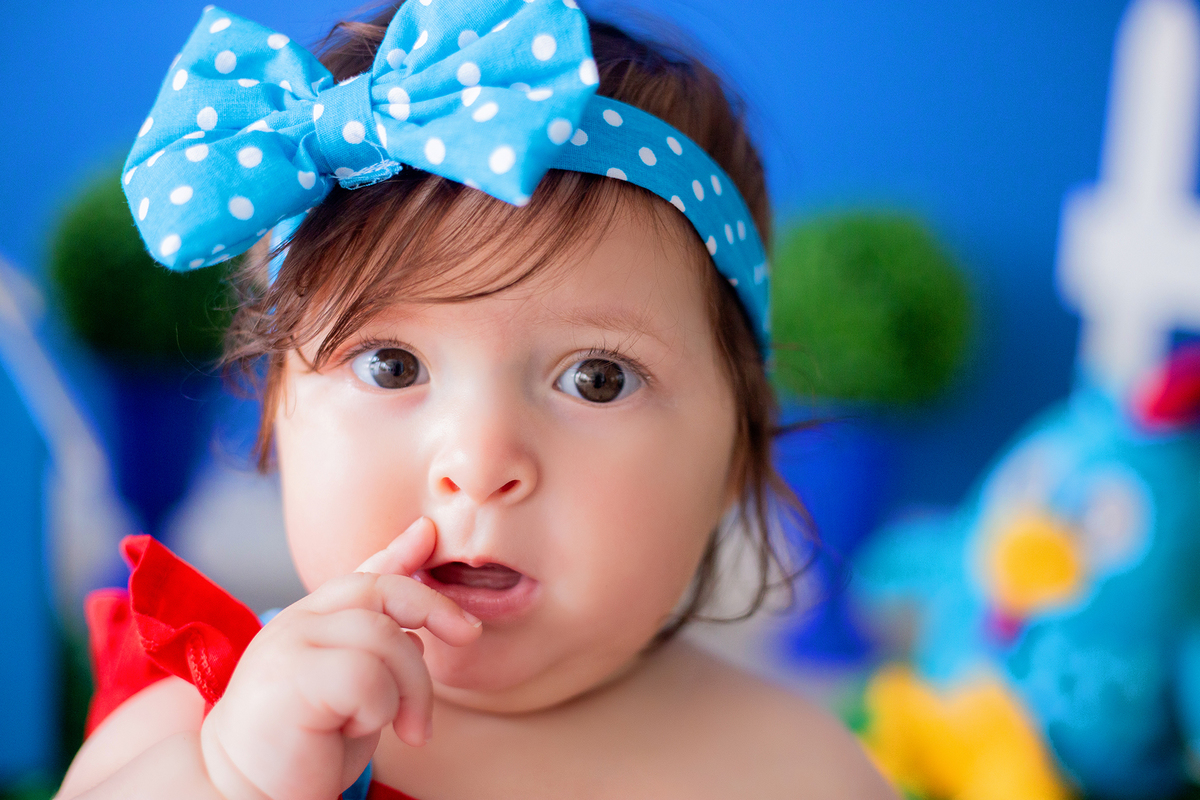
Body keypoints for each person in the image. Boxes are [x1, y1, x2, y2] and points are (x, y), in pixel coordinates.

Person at [56, 1, 895, 797]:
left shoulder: (800, 767)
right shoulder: (204, 722)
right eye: (391, 366)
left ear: (737, 451)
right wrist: (238, 783)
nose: (481, 461)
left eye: (596, 378)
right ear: (276, 413)